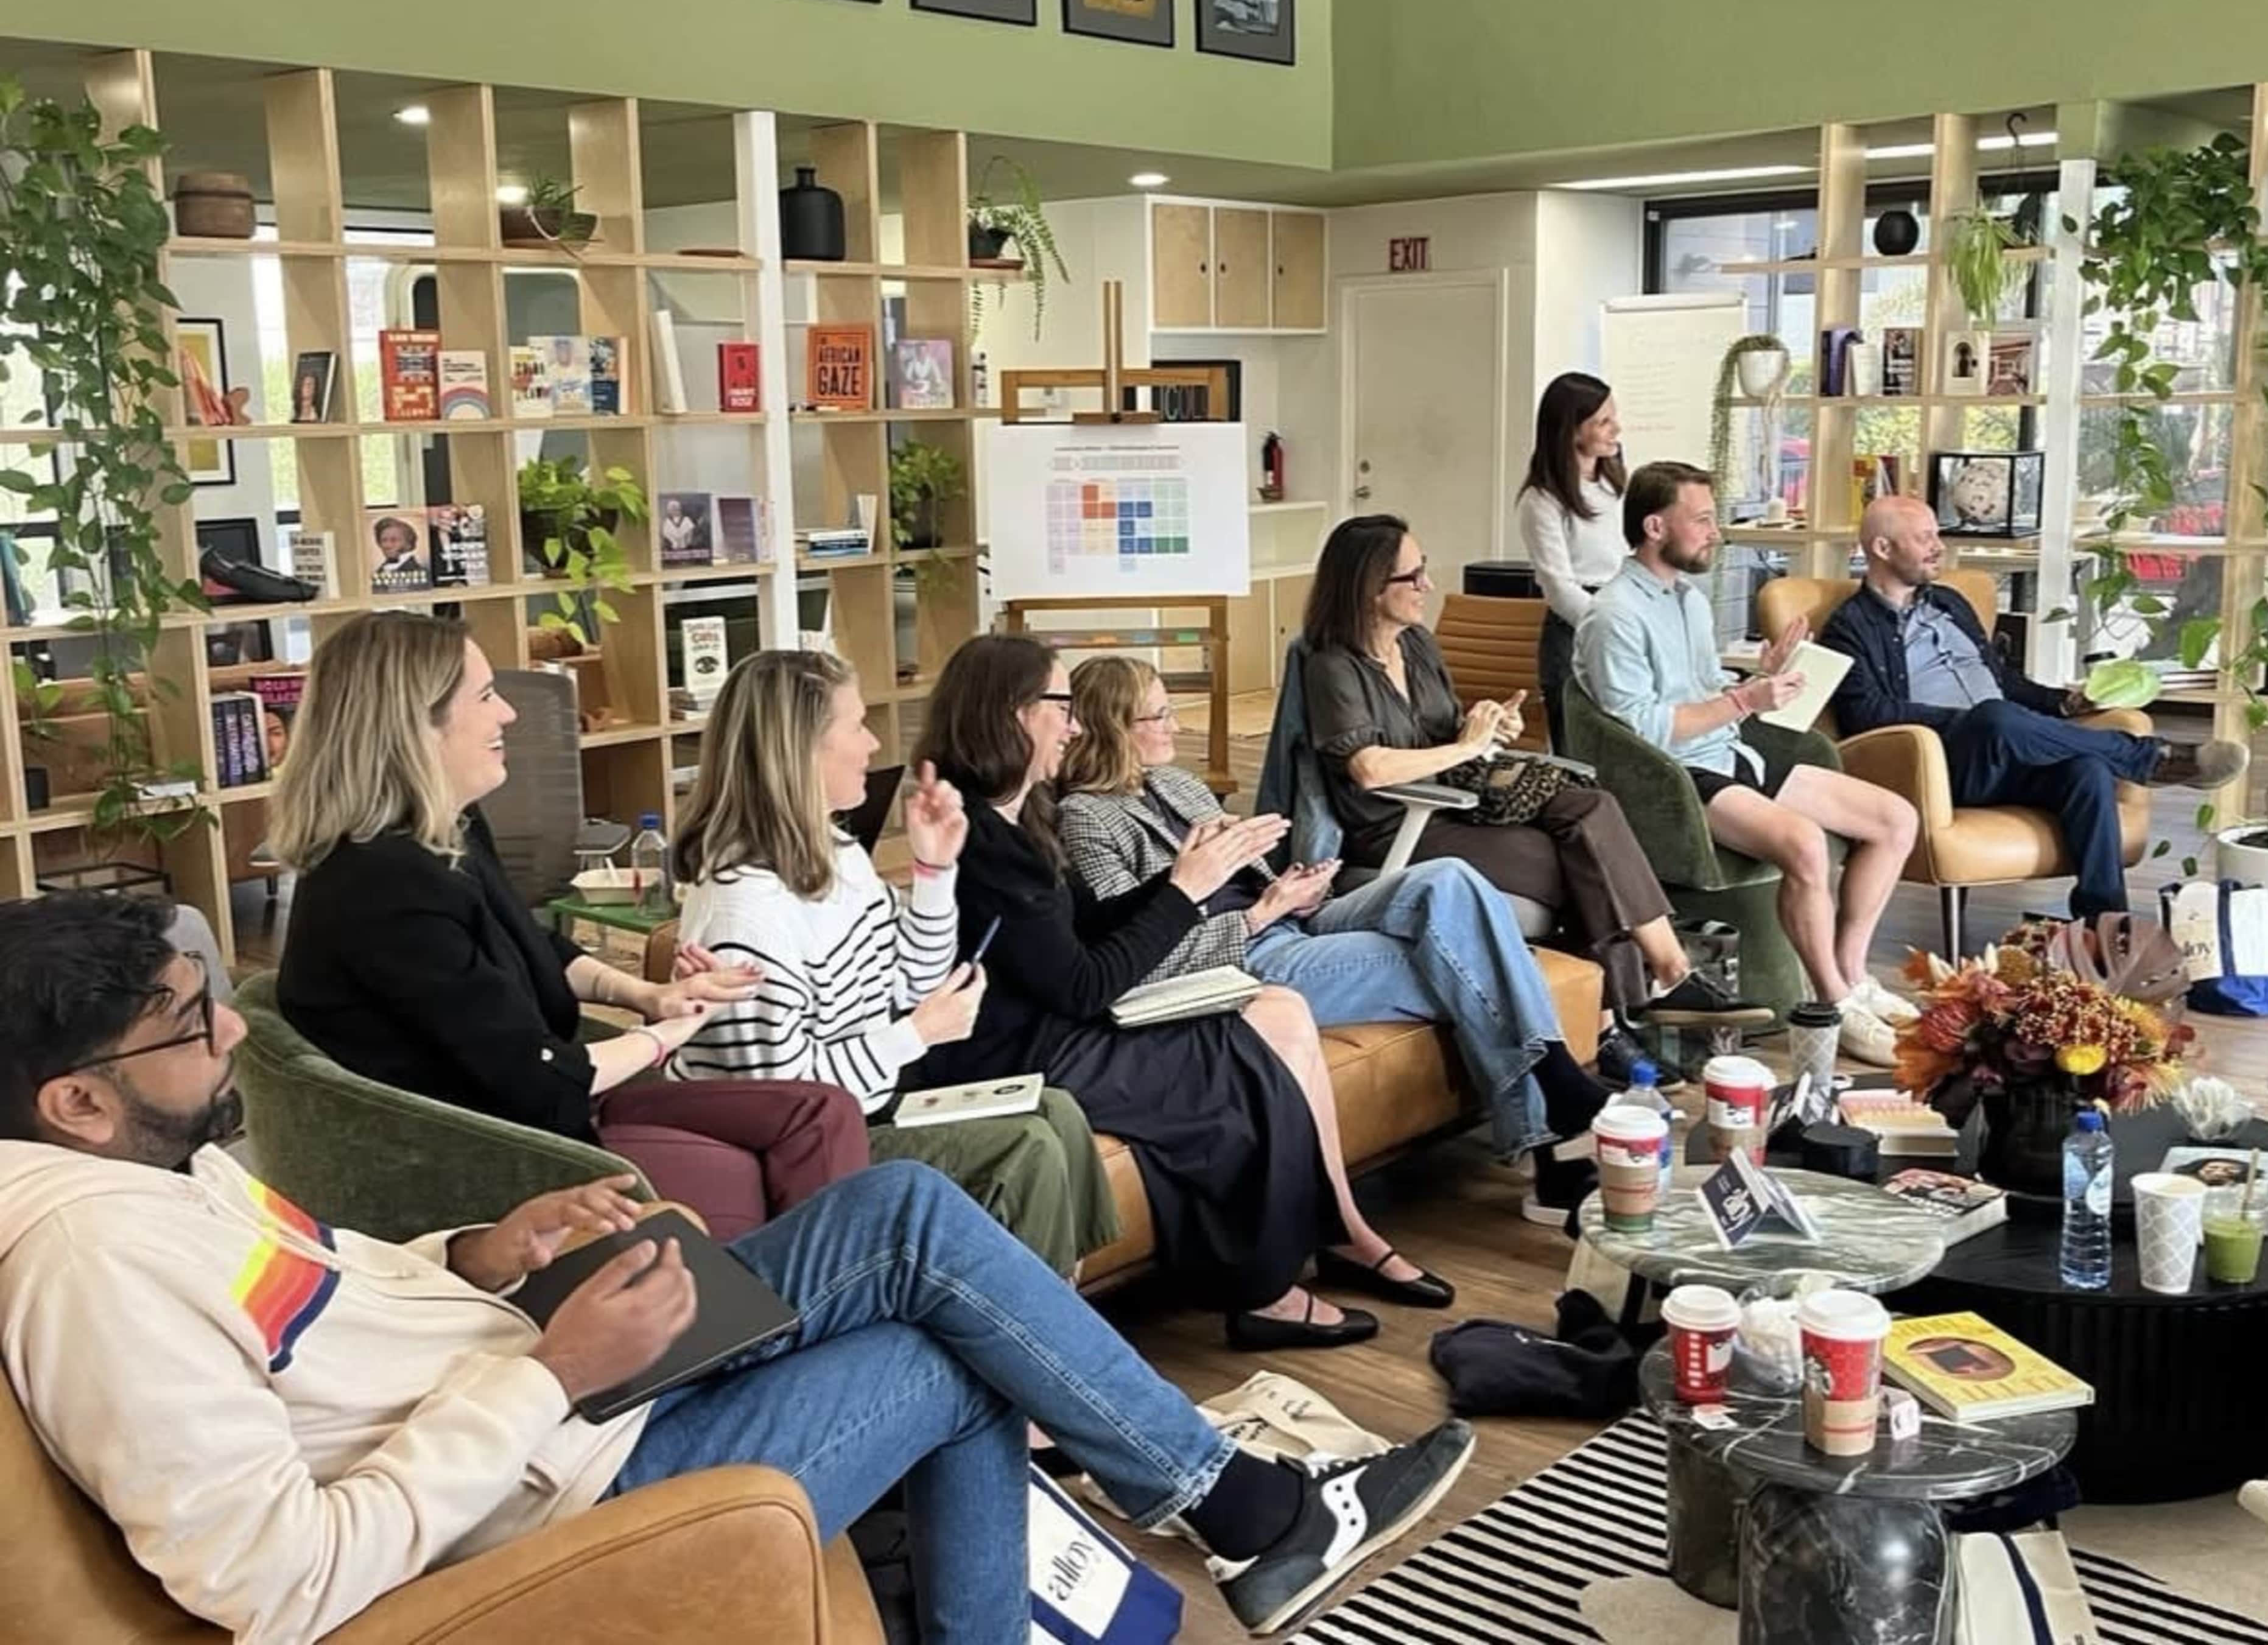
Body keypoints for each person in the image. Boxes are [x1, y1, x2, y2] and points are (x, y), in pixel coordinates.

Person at [0, 893, 1475, 1645]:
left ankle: (1236, 1504)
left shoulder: (147, 1166)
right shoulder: (86, 1265)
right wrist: (545, 1371)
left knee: (900, 1216)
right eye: (192, 1021)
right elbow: (280, 1579)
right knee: (943, 1345)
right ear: (73, 1096)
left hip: (548, 1403)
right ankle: (1243, 1507)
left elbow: (319, 1317)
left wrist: (482, 1253)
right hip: (537, 1495)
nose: (232, 1033)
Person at [271, 612, 868, 1240]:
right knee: (748, 1181)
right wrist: (671, 1031)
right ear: (416, 724)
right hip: (499, 1147)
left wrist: (646, 994)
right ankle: (802, 1299)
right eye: (484, 696)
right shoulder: (381, 888)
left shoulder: (447, 831)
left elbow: (533, 946)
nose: (509, 713)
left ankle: (819, 1284)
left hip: (544, 1104)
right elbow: (539, 1075)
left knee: (820, 1111)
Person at [917, 633, 1432, 1349]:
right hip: (1020, 1052)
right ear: (1013, 713)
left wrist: (1184, 878)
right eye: (1061, 707)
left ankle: (1275, 1276)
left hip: (1055, 1029)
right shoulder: (983, 836)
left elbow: (1083, 929)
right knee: (1239, 1068)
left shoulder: (1019, 814)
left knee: (1247, 1048)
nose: (1071, 725)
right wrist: (1187, 892)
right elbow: (1083, 984)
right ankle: (1263, 1289)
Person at [1061, 656, 1617, 1227]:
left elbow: (1244, 874)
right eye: (1159, 716)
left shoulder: (1176, 783)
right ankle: (1551, 1127)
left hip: (1292, 920)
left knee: (1448, 878)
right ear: (1113, 727)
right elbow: (1134, 950)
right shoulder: (1085, 818)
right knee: (1469, 961)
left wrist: (1291, 888)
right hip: (1245, 957)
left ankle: (1551, 1092)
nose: (1177, 726)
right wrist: (1256, 918)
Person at [668, 648, 1119, 1276]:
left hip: (869, 1109)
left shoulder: (838, 853)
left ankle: (1059, 1304)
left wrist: (935, 872)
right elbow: (789, 1102)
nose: (875, 743)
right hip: (811, 1147)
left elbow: (913, 977)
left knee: (1055, 1110)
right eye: (856, 726)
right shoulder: (746, 913)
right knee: (1026, 1147)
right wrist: (916, 1033)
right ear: (802, 750)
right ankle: (1041, 1329)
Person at [1301, 513, 1766, 1086]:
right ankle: (1615, 1023)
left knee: (1590, 808)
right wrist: (1464, 747)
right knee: (1577, 862)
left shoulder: (1417, 647)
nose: (1426, 585)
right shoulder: (1332, 667)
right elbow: (1371, 770)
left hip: (1452, 803)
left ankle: (1663, 977)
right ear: (1371, 588)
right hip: (1395, 824)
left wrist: (1488, 727)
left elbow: (1448, 735)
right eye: (1412, 576)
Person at [1575, 462, 1920, 1063]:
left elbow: (1707, 689)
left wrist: (1765, 675)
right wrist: (1745, 699)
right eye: (1703, 519)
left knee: (1895, 820)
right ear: (1656, 526)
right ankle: (1833, 1003)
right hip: (1675, 776)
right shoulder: (1614, 614)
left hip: (1730, 752)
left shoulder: (1688, 600)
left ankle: (1852, 972)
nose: (1716, 532)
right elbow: (1645, 730)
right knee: (1807, 844)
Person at [1823, 495, 2247, 920]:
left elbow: (2001, 680)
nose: (1939, 547)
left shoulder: (1949, 603)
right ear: (1882, 548)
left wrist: (2062, 703)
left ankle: (2101, 924)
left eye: (1937, 534)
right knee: (1995, 717)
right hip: (1942, 766)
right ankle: (2146, 757)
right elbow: (1869, 715)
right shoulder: (1848, 628)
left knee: (2088, 771)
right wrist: (1968, 724)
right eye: (1924, 538)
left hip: (2007, 748)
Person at [1517, 372, 1630, 743]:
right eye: (1604, 422)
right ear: (1571, 430)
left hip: (1619, 613)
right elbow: (1559, 587)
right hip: (1577, 627)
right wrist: (1609, 624)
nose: (1617, 429)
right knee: (1578, 746)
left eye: (1614, 417)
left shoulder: (1614, 484)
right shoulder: (1543, 500)